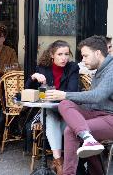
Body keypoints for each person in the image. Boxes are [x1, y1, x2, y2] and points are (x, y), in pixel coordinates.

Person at [46, 35, 113, 175]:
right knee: (64, 104)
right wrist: (70, 101)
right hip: (98, 114)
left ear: (97, 53)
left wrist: (65, 94)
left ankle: (69, 171)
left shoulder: (111, 69)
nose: (82, 60)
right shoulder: (100, 70)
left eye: (85, 56)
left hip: (110, 118)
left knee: (71, 131)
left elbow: (97, 96)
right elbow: (92, 101)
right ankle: (88, 139)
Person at [25, 40, 79, 175]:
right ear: (52, 54)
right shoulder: (43, 68)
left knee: (63, 124)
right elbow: (28, 90)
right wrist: (33, 77)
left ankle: (59, 162)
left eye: (66, 54)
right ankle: (59, 161)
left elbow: (72, 91)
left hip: (67, 110)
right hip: (48, 109)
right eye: (60, 54)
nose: (64, 58)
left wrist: (56, 95)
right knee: (49, 116)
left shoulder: (72, 68)